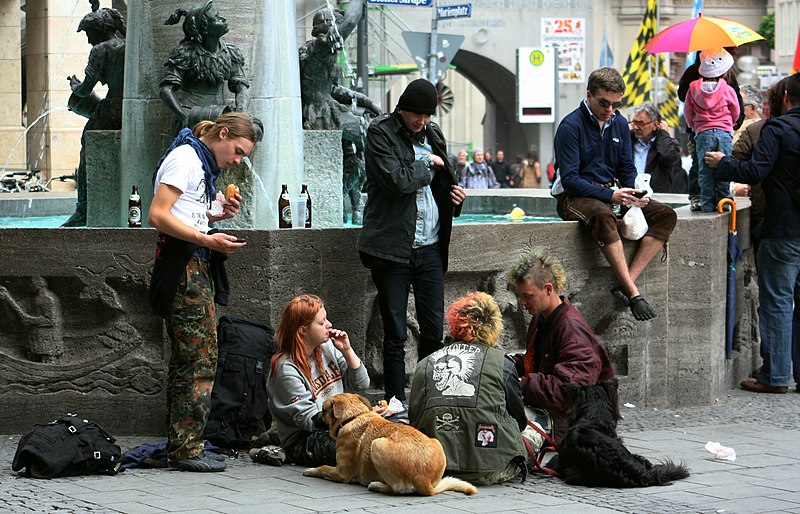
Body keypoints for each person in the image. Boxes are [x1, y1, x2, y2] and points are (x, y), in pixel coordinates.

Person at [148, 112, 260, 472]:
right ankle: (186, 449)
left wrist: (216, 214)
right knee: (199, 359)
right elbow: (157, 215)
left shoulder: (198, 160)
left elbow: (186, 213)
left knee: (190, 359)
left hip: (191, 265)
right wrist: (206, 238)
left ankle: (184, 443)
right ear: (223, 134)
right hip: (185, 269)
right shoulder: (185, 159)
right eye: (238, 151)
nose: (238, 160)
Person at [357, 78, 467, 404]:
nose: (422, 121)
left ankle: (427, 401)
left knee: (433, 332)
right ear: (402, 109)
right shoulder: (380, 132)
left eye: (428, 115)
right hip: (392, 248)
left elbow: (444, 182)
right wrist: (425, 163)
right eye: (416, 114)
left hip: (430, 246)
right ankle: (394, 403)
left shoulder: (433, 135)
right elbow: (397, 181)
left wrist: (456, 198)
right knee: (396, 334)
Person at [550, 67, 677, 321]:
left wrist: (635, 191)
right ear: (589, 95)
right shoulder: (570, 126)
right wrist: (612, 196)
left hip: (611, 192)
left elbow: (626, 167)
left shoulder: (619, 123)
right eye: (604, 103)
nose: (609, 110)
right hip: (573, 198)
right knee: (603, 214)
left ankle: (627, 280)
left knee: (665, 215)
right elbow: (572, 181)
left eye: (615, 105)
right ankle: (633, 293)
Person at [704, 73, 800, 395]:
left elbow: (756, 171)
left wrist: (723, 163)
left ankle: (774, 375)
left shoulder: (778, 129)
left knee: (777, 302)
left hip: (783, 229)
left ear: (786, 97)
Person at [409, 292, 527, 485]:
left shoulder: (425, 363)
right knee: (535, 429)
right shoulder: (503, 363)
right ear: (493, 326)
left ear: (455, 326)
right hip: (491, 467)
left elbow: (415, 417)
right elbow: (519, 420)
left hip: (435, 466)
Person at [507, 249, 615, 444]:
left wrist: (522, 383)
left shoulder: (572, 330)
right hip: (555, 411)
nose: (521, 303)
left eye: (527, 296)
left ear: (548, 289)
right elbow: (536, 363)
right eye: (519, 296)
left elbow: (570, 392)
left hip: (577, 426)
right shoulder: (541, 317)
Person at [266, 294, 370, 465]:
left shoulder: (327, 346)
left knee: (398, 423)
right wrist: (356, 419)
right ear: (303, 331)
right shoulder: (285, 369)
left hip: (339, 424)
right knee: (360, 447)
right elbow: (308, 420)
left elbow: (361, 384)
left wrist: (347, 350)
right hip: (304, 439)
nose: (329, 325)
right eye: (321, 323)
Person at [62, 2, 126, 227]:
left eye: (89, 33)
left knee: (86, 147)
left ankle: (83, 209)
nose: (88, 39)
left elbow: (86, 89)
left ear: (99, 30)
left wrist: (75, 86)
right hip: (128, 110)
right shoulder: (126, 46)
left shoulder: (101, 50)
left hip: (111, 110)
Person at [160, 1, 249, 130]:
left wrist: (241, 115)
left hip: (220, 113)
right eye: (217, 18)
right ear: (204, 28)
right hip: (191, 112)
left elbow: (242, 88)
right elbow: (166, 90)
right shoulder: (186, 52)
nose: (223, 19)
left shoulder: (230, 52)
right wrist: (185, 117)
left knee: (254, 129)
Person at [679, 48, 745, 212]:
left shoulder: (693, 87)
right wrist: (731, 123)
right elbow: (736, 109)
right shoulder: (728, 88)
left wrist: (694, 125)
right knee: (724, 166)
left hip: (702, 133)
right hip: (724, 132)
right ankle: (723, 201)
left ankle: (706, 204)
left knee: (704, 169)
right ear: (723, 73)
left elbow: (687, 111)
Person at [629, 102, 687, 194]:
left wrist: (663, 135)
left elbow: (668, 158)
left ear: (655, 125)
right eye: (634, 122)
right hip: (630, 195)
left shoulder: (668, 144)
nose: (635, 127)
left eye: (640, 123)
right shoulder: (628, 141)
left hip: (657, 197)